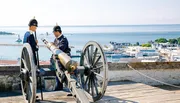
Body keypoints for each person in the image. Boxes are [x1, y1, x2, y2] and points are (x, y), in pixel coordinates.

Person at [50, 24, 71, 90]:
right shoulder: (56, 40)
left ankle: (64, 82)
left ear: (57, 32)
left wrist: (53, 47)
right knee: (57, 70)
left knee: (60, 68)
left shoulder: (63, 39)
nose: (53, 34)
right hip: (57, 58)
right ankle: (59, 85)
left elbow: (60, 48)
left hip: (64, 58)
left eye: (54, 32)